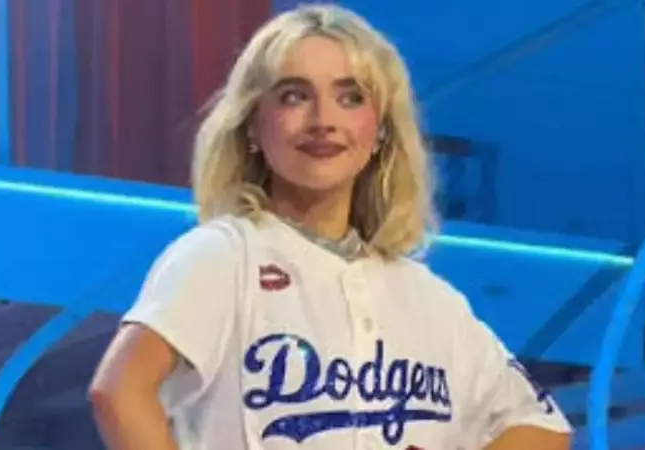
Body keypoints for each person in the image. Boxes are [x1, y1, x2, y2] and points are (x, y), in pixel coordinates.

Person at [88, 4, 572, 450]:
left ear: (380, 129)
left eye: (350, 97)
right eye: (294, 96)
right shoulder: (223, 254)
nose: (323, 120)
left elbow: (544, 428)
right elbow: (119, 390)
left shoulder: (431, 300)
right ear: (252, 125)